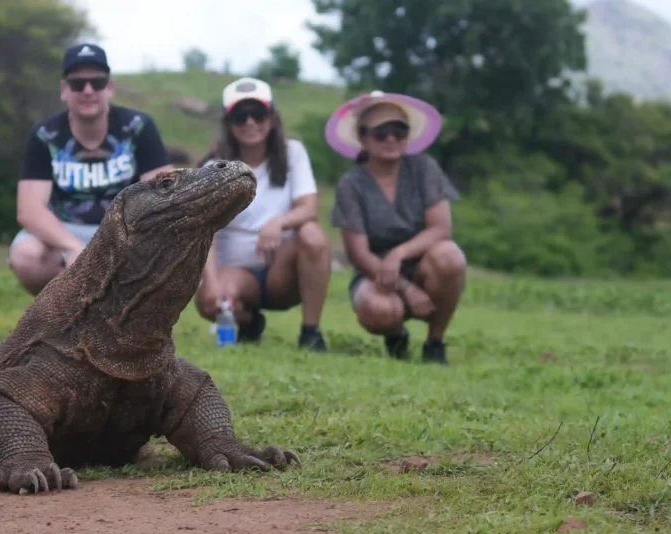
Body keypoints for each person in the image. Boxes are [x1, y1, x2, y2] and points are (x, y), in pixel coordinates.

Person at [8, 43, 173, 295]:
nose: (88, 90)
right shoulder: (45, 135)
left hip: (126, 229)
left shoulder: (139, 127)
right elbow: (29, 209)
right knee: (25, 255)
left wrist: (130, 240)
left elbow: (164, 194)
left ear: (110, 88)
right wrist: (72, 247)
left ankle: (130, 318)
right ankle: (60, 313)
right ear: (64, 90)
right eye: (77, 84)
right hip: (64, 230)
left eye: (97, 82)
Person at [327, 91, 467, 364]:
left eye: (399, 130)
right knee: (377, 310)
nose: (391, 138)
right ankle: (395, 333)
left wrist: (399, 253)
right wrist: (405, 287)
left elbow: (441, 228)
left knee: (450, 256)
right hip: (374, 273)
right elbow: (358, 253)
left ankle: (435, 343)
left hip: (424, 263)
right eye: (381, 132)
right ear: (364, 138)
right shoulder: (350, 184)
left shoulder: (425, 169)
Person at [194, 77, 331, 352]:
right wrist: (210, 282)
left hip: (283, 270)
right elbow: (205, 232)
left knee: (312, 234)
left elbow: (309, 208)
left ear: (272, 118)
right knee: (210, 301)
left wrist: (278, 223)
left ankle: (311, 333)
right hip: (237, 270)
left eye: (258, 114)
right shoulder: (213, 167)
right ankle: (247, 322)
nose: (249, 123)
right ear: (228, 123)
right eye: (240, 116)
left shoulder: (294, 153)